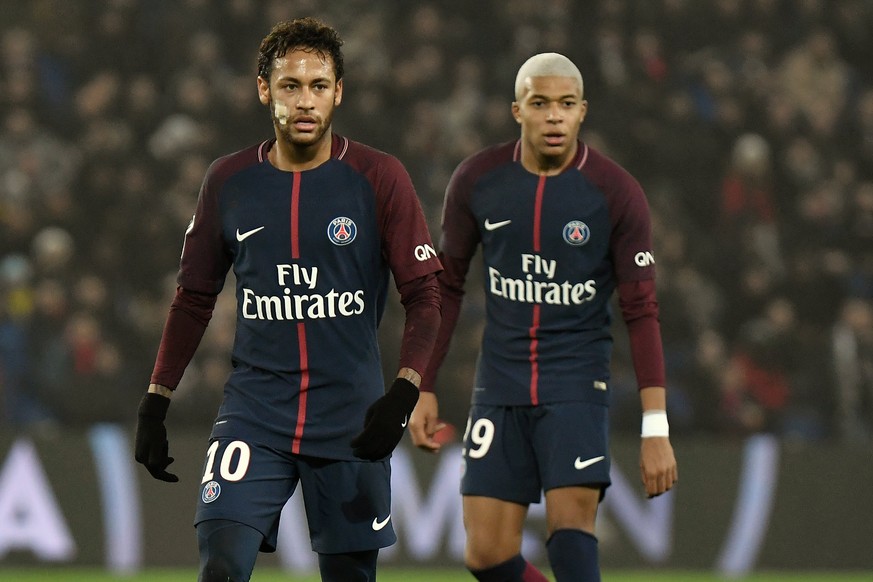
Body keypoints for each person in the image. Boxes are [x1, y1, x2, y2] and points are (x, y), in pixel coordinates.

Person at [133, 17, 442, 582]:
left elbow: (425, 295)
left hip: (351, 416)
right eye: (290, 86)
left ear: (338, 92)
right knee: (220, 570)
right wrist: (156, 402)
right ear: (263, 89)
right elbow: (194, 299)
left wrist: (404, 389)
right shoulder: (228, 182)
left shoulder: (379, 177)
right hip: (255, 413)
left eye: (318, 86)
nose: (305, 101)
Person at [409, 52, 678, 582]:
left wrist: (655, 428)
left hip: (576, 382)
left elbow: (642, 312)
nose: (554, 116)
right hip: (500, 383)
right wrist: (423, 382)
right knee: (484, 554)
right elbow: (448, 287)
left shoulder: (615, 193)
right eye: (540, 104)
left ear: (582, 112)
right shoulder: (478, 181)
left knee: (570, 531)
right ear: (517, 111)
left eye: (565, 105)